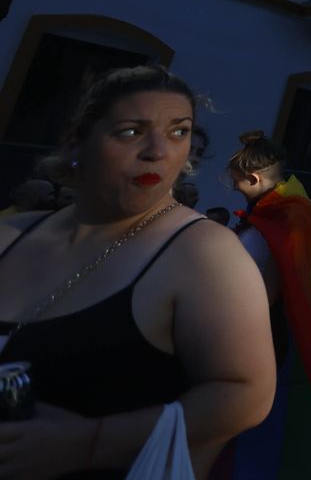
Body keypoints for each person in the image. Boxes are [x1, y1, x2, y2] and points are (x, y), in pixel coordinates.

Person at [0, 65, 275, 478]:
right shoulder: (10, 234)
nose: (158, 151)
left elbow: (246, 393)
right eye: (131, 131)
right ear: (78, 141)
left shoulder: (205, 252)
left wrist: (90, 443)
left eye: (178, 132)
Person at [222, 130, 311, 478]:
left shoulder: (278, 219)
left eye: (237, 182)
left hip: (255, 337)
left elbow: (269, 289)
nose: (235, 189)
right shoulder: (280, 215)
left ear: (254, 178)